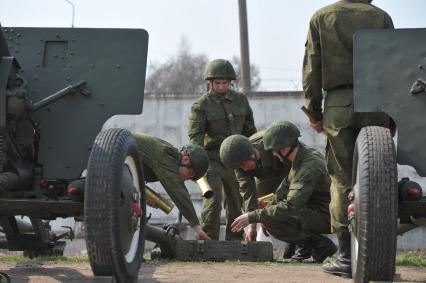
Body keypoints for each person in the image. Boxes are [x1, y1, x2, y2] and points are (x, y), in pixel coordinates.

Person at [302, 0, 393, 276]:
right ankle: (375, 253)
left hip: (338, 103)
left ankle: (346, 255)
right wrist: (392, 114)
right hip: (376, 101)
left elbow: (312, 69)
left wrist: (314, 112)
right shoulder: (382, 18)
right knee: (378, 176)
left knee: (342, 176)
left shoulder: (321, 16)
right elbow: (394, 64)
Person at [231, 121, 336, 263]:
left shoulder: (307, 167)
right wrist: (260, 216)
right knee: (270, 215)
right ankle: (314, 245)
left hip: (328, 216)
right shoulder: (299, 162)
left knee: (275, 218)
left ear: (286, 147)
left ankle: (320, 245)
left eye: (276, 149)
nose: (273, 153)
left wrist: (254, 216)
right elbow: (281, 194)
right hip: (316, 211)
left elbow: (290, 207)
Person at [188, 59, 257, 240]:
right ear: (210, 83)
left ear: (230, 82)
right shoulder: (201, 106)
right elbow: (195, 140)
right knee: (213, 199)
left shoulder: (241, 101)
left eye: (224, 83)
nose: (221, 87)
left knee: (235, 202)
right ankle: (208, 241)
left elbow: (251, 131)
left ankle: (234, 242)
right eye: (217, 83)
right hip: (212, 159)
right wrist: (197, 167)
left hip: (236, 160)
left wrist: (254, 155)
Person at [220, 132, 313, 261]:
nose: (244, 169)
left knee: (294, 202)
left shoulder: (275, 144)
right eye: (239, 167)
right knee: (265, 209)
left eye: (243, 165)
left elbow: (297, 177)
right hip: (267, 175)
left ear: (251, 154)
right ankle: (291, 241)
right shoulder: (240, 163)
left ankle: (305, 243)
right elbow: (248, 194)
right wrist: (252, 225)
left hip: (293, 169)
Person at [132, 132, 211, 240]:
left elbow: (134, 176)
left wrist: (145, 195)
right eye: (190, 174)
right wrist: (197, 228)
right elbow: (179, 192)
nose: (187, 178)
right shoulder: (167, 155)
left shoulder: (169, 158)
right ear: (186, 159)